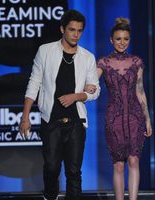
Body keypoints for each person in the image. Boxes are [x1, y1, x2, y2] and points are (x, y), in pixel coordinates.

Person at [19, 9, 100, 200]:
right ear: (62, 29)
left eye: (80, 30)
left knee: (74, 171)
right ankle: (50, 196)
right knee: (52, 167)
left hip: (76, 121)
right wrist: (25, 117)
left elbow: (95, 91)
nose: (76, 34)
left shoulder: (87, 57)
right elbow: (34, 83)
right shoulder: (45, 51)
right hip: (51, 119)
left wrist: (77, 95)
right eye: (72, 29)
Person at [86, 18, 152, 200]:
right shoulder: (104, 63)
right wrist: (86, 87)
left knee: (133, 160)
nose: (122, 42)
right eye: (118, 39)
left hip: (135, 118)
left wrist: (147, 119)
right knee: (118, 165)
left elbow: (140, 92)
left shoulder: (136, 62)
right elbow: (91, 83)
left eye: (125, 39)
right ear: (111, 40)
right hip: (113, 119)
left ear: (129, 40)